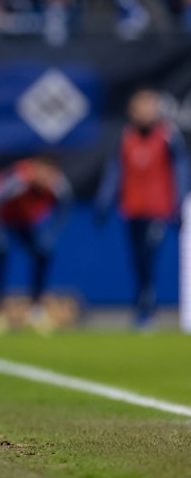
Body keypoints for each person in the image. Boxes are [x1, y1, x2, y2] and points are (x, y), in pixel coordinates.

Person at [95, 88, 189, 330]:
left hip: (158, 209)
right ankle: (142, 305)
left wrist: (178, 204)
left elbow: (180, 171)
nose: (146, 112)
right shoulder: (125, 137)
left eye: (150, 107)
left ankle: (147, 309)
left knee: (149, 256)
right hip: (133, 209)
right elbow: (115, 172)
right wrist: (104, 202)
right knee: (137, 260)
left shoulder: (168, 137)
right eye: (141, 107)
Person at [0, 156, 73, 334]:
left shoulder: (59, 185)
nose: (45, 178)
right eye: (41, 173)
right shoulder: (17, 181)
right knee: (0, 253)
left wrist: (51, 234)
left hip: (24, 221)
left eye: (48, 175)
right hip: (0, 219)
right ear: (35, 170)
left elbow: (64, 209)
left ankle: (36, 311)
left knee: (43, 254)